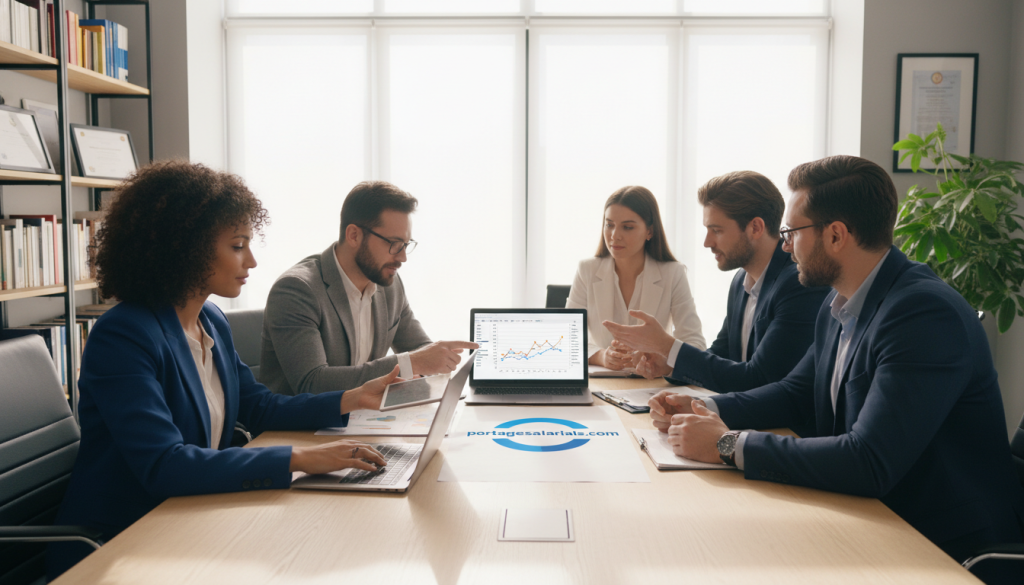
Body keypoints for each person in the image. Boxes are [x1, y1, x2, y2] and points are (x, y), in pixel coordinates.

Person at [648, 155, 1024, 582]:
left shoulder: (922, 313)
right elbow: (793, 393)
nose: (784, 245)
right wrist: (707, 409)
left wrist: (728, 445)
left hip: (940, 544)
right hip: (870, 516)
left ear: (836, 235)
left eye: (791, 233)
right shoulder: (838, 302)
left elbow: (869, 460)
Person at [48, 162, 398, 579]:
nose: (251, 259)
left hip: (190, 517)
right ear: (186, 247)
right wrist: (301, 458)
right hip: (123, 543)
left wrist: (352, 399)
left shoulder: (210, 319)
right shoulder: (123, 336)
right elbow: (164, 465)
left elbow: (260, 407)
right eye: (237, 245)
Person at [603, 171, 829, 393]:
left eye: (717, 230)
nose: (707, 242)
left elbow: (758, 379)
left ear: (756, 228)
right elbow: (721, 356)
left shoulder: (798, 284)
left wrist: (667, 346)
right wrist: (668, 364)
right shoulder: (741, 279)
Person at [259, 181, 477, 395]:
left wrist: (436, 359)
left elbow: (420, 349)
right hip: (299, 428)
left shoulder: (388, 284)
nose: (402, 257)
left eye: (406, 245)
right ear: (354, 235)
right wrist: (410, 363)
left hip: (364, 421)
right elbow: (312, 384)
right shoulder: (297, 290)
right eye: (394, 243)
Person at [566, 186, 705, 371]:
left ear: (650, 231)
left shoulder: (673, 273)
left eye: (627, 227)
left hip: (651, 384)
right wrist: (602, 356)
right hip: (604, 382)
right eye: (609, 224)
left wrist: (663, 359)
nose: (615, 235)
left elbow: (695, 343)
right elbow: (568, 340)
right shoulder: (587, 270)